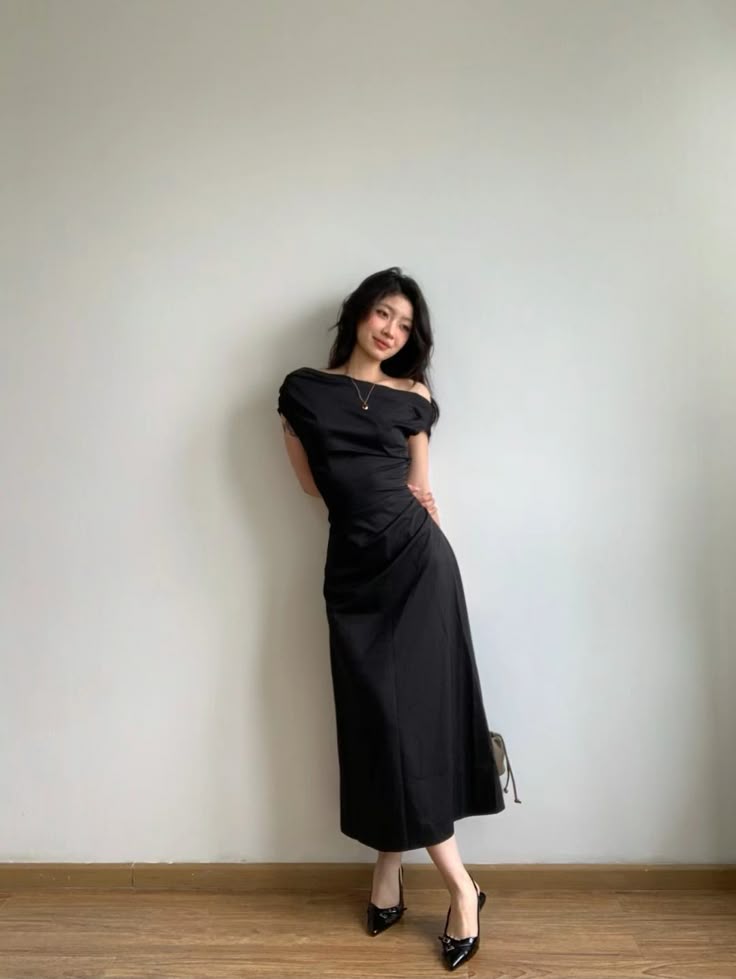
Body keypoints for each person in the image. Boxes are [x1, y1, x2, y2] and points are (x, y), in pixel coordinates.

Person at [276, 266, 505, 971]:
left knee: (413, 726)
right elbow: (311, 484)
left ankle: (461, 889)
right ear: (357, 313)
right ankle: (388, 865)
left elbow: (421, 488)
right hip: (352, 572)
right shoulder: (302, 390)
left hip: (417, 565)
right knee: (375, 721)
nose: (391, 330)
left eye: (404, 325)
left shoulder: (414, 396)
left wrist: (414, 508)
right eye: (383, 313)